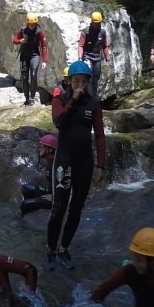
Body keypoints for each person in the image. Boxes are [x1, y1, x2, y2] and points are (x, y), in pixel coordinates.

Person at [46, 60, 106, 270]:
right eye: (76, 81)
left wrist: (101, 165)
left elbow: (99, 135)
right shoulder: (59, 99)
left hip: (84, 162)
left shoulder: (93, 104)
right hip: (64, 160)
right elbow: (58, 122)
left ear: (88, 82)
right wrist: (72, 100)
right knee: (59, 207)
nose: (80, 85)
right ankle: (51, 249)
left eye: (83, 81)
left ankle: (64, 248)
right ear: (69, 81)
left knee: (76, 208)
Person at [12, 13, 47, 106]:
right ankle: (27, 98)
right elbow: (14, 40)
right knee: (24, 77)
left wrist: (44, 61)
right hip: (24, 56)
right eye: (30, 24)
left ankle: (32, 98)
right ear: (27, 23)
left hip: (35, 56)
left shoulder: (39, 32)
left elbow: (43, 46)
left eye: (34, 24)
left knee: (33, 74)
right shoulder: (22, 30)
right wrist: (20, 41)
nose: (32, 26)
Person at [21, 134, 57, 216]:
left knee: (25, 204)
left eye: (42, 146)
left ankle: (25, 220)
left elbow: (66, 186)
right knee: (26, 188)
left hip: (58, 198)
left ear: (50, 149)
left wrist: (54, 197)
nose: (40, 148)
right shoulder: (49, 161)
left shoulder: (57, 165)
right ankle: (33, 210)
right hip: (51, 192)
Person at [78, 11, 110, 98]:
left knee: (96, 78)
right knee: (89, 77)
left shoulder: (102, 32)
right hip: (87, 57)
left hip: (97, 58)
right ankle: (87, 97)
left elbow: (105, 46)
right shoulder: (85, 32)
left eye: (98, 23)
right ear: (91, 22)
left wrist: (107, 59)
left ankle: (94, 98)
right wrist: (80, 57)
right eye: (95, 23)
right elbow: (81, 45)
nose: (96, 25)